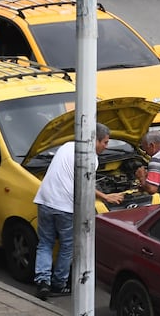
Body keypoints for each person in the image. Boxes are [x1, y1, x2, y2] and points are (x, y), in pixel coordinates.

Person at [33, 123, 124, 300]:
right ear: (94, 140)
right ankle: (58, 284)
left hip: (45, 200)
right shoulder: (91, 158)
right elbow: (84, 184)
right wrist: (105, 197)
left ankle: (42, 282)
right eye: (105, 142)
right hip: (64, 207)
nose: (106, 146)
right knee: (67, 246)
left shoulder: (67, 146)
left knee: (45, 243)